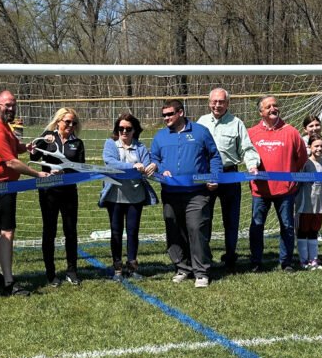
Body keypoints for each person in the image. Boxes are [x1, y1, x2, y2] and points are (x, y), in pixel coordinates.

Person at [150, 98, 222, 288]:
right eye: (164, 115)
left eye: (169, 114)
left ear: (180, 113)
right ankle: (182, 268)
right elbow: (154, 158)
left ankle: (201, 272)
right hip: (170, 193)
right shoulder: (160, 137)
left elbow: (214, 155)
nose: (166, 118)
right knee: (174, 229)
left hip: (197, 193)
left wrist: (214, 177)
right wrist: (159, 169)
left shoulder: (200, 132)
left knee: (196, 229)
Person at [0, 89, 46, 296]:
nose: (11, 108)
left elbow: (13, 148)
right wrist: (37, 174)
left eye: (13, 104)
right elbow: (10, 161)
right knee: (7, 232)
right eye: (7, 104)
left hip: (4, 186)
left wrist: (25, 147)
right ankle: (9, 282)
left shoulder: (4, 126)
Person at [197, 87, 259, 271]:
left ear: (228, 103)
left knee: (231, 220)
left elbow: (247, 149)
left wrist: (252, 164)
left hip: (230, 175)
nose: (217, 105)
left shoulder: (236, 123)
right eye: (214, 101)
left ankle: (231, 256)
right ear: (209, 103)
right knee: (203, 218)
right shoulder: (201, 123)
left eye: (221, 101)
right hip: (207, 176)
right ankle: (204, 257)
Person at [248, 96, 308, 272]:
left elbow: (301, 158)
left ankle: (286, 261)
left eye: (275, 106)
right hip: (260, 189)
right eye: (268, 107)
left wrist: (288, 175)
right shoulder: (251, 132)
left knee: (287, 226)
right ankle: (256, 261)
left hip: (285, 190)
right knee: (257, 226)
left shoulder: (291, 131)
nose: (273, 109)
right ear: (261, 112)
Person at [30, 107, 86, 287]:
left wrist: (66, 169)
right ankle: (51, 273)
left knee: (71, 231)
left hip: (69, 192)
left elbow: (80, 167)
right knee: (49, 231)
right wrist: (35, 145)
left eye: (73, 122)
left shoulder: (77, 143)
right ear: (59, 121)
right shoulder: (48, 136)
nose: (70, 125)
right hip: (48, 192)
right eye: (67, 121)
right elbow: (33, 156)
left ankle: (72, 271)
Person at [99, 113, 158, 281]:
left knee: (133, 232)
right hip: (114, 196)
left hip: (135, 196)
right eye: (121, 128)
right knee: (116, 232)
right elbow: (110, 163)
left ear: (134, 130)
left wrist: (152, 166)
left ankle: (132, 267)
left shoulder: (140, 147)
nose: (124, 131)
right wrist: (133, 166)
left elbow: (147, 166)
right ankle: (117, 268)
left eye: (128, 129)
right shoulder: (110, 144)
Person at [295, 135, 322, 269]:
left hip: (319, 205)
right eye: (316, 146)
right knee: (303, 231)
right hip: (304, 204)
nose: (319, 148)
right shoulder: (305, 164)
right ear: (310, 147)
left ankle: (314, 259)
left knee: (314, 231)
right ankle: (303, 260)